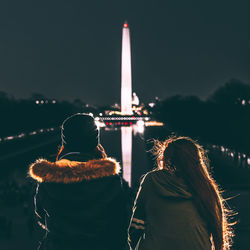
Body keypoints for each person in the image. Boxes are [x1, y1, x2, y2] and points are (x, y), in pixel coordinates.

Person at [29, 113, 128, 250]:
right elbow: (120, 222)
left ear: (65, 141)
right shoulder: (111, 181)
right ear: (95, 141)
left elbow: (41, 217)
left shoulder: (48, 180)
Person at [128, 136, 234, 250]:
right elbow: (217, 230)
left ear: (166, 159)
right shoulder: (205, 187)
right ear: (196, 160)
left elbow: (136, 225)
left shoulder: (152, 180)